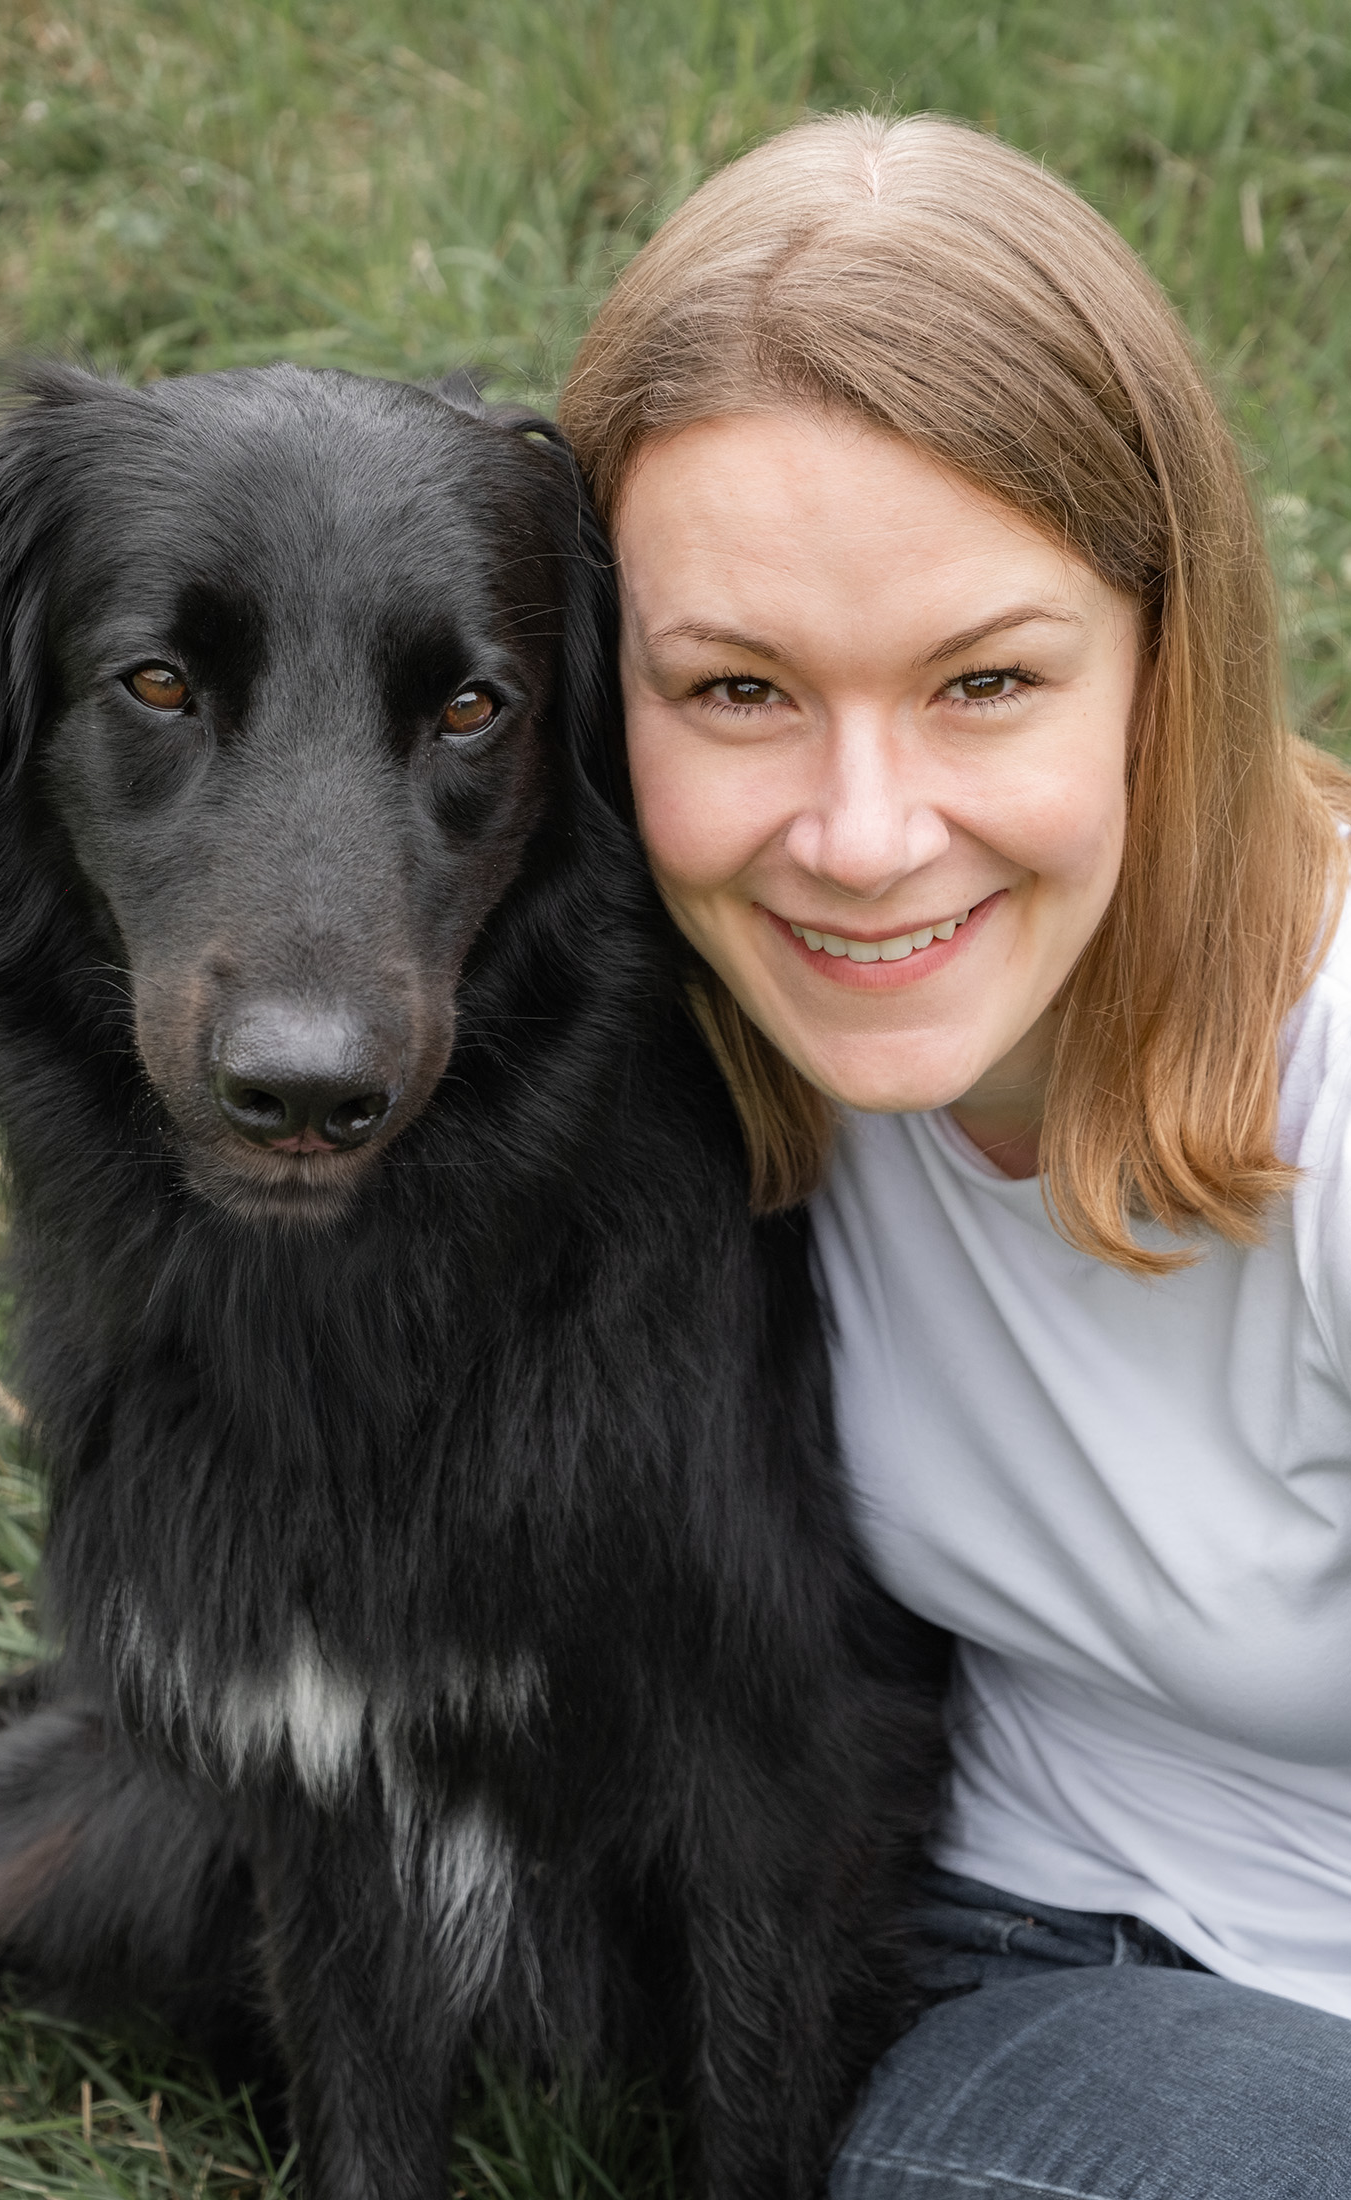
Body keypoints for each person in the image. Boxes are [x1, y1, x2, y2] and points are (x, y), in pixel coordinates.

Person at [560, 111, 1351, 2198]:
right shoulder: (651, 1037)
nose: (861, 837)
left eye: (982, 680)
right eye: (738, 690)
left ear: (1165, 667)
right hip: (1047, 1975)